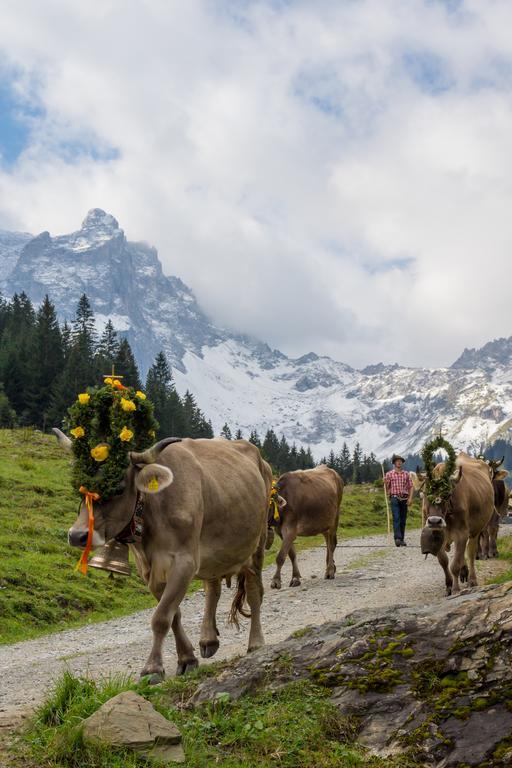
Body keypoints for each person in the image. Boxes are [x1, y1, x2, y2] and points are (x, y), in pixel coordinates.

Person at [384, 454, 413, 547]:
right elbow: (386, 487)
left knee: (403, 519)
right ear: (394, 463)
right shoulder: (389, 474)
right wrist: (384, 483)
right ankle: (397, 538)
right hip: (394, 498)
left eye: (400, 461)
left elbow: (411, 487)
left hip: (404, 498)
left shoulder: (406, 474)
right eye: (397, 461)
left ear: (402, 463)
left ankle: (402, 539)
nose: (399, 462)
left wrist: (410, 498)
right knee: (396, 518)